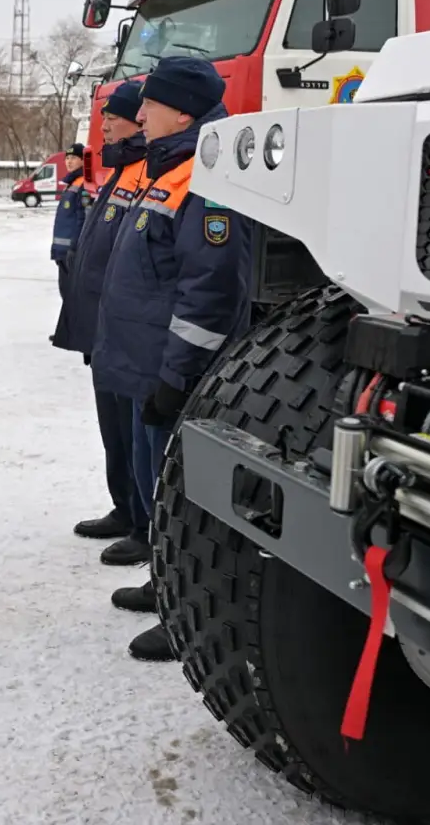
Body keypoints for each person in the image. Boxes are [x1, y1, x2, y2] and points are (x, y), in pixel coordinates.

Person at [91, 57, 253, 662]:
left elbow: (209, 293)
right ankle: (166, 583)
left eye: (150, 106)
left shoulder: (204, 179)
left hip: (169, 373)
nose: (141, 115)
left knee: (179, 497)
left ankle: (188, 609)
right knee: (151, 485)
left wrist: (177, 373)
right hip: (142, 366)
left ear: (182, 111)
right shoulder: (167, 168)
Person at [51, 81, 149, 549]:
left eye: (115, 116)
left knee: (136, 434)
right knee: (113, 428)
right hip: (103, 328)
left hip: (128, 331)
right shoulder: (121, 171)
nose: (104, 123)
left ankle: (143, 524)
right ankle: (125, 507)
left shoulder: (147, 171)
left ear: (140, 119)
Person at [50, 143, 89, 302]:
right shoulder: (71, 183)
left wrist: (75, 247)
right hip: (63, 252)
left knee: (73, 299)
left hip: (72, 253)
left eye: (74, 158)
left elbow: (83, 218)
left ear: (83, 160)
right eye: (67, 158)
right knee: (66, 296)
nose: (69, 161)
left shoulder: (83, 184)